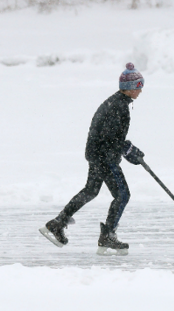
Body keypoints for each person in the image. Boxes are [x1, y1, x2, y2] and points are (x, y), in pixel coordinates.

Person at [39, 63, 145, 256]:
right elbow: (109, 136)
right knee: (122, 195)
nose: (140, 90)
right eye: (138, 85)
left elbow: (111, 135)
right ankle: (108, 235)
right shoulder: (119, 106)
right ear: (128, 87)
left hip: (97, 154)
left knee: (91, 190)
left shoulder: (115, 102)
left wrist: (126, 147)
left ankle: (57, 223)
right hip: (105, 158)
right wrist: (125, 148)